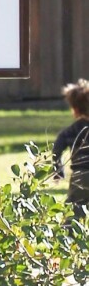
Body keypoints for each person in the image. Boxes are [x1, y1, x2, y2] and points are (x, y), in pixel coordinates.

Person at [53, 79, 89, 220]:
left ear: (75, 109)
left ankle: (69, 239)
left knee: (74, 211)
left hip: (80, 176)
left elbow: (57, 149)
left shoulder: (70, 131)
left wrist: (58, 170)